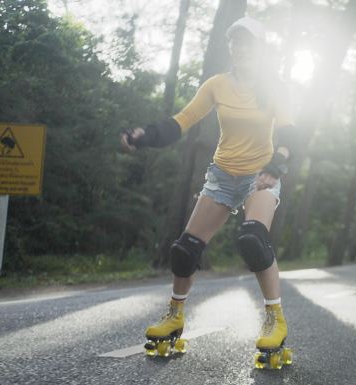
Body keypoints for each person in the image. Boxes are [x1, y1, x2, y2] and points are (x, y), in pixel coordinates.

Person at [120, 17, 297, 368]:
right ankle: (174, 315)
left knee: (253, 239)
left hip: (261, 174)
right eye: (236, 42)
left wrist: (276, 166)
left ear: (260, 51)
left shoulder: (275, 87)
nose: (241, 48)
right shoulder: (217, 84)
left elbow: (291, 134)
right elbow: (181, 122)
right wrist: (145, 135)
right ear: (231, 48)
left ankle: (276, 319)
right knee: (185, 250)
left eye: (248, 43)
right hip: (222, 175)